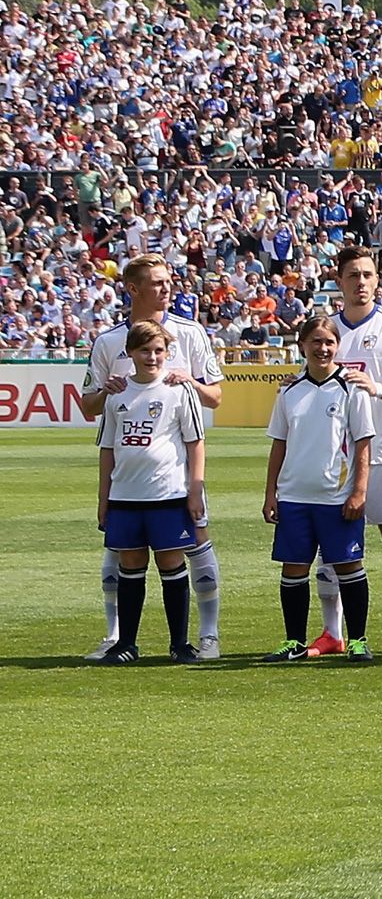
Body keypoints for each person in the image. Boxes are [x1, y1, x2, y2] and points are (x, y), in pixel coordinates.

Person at [79, 254, 225, 660]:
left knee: (194, 543)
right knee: (122, 552)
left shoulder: (190, 333)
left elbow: (215, 396)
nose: (167, 288)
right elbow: (89, 406)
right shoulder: (109, 341)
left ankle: (205, 635)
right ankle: (116, 635)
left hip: (176, 473)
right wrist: (106, 390)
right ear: (133, 289)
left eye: (168, 281)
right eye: (158, 282)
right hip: (128, 472)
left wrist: (189, 380)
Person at [311, 247, 382, 658]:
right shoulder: (325, 331)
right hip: (332, 457)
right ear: (338, 281)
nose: (361, 282)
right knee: (330, 542)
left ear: (379, 280)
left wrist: (376, 387)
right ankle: (331, 632)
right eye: (352, 275)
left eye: (368, 275)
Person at [260, 317, 376, 663]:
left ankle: (357, 640)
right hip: (294, 496)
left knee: (348, 567)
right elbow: (278, 444)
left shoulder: (350, 387)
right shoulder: (289, 390)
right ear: (302, 346)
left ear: (337, 346)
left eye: (328, 342)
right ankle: (294, 642)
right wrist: (271, 493)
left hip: (336, 496)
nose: (322, 348)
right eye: (315, 342)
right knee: (293, 569)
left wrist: (359, 491)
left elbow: (364, 444)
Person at [94, 320, 206, 664]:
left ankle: (180, 644)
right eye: (145, 350)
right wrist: (103, 499)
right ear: (129, 353)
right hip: (125, 496)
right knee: (131, 564)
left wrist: (194, 490)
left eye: (159, 350)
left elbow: (194, 442)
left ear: (167, 353)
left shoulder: (178, 391)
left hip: (167, 494)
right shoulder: (117, 394)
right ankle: (126, 643)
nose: (152, 356)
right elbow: (107, 448)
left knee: (171, 563)